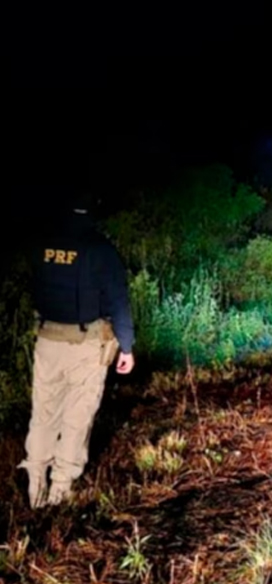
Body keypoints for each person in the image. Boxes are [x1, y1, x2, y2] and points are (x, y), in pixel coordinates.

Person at [18, 189, 135, 508]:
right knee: (77, 415)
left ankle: (35, 479)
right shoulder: (100, 249)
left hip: (47, 340)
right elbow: (118, 300)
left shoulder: (42, 244)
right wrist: (126, 346)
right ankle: (61, 488)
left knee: (44, 412)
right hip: (85, 345)